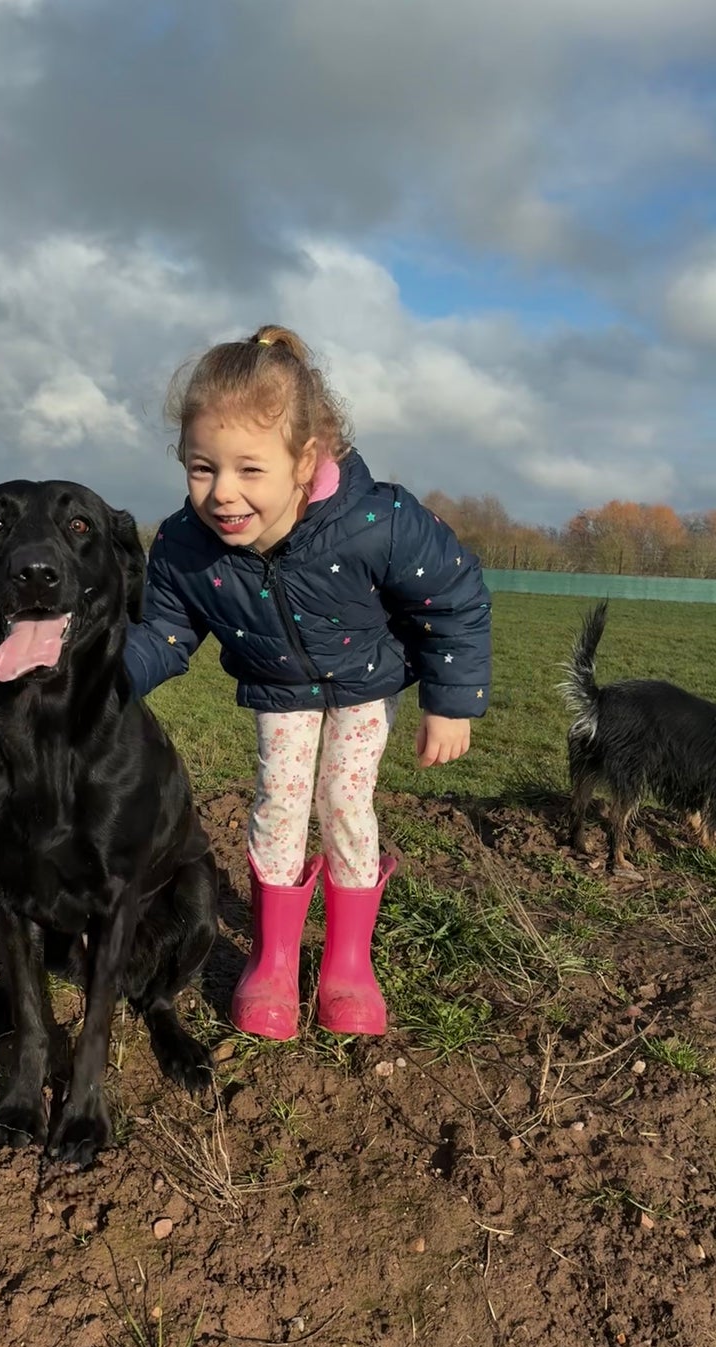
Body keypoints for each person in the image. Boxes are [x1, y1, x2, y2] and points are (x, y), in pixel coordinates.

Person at [124, 325, 491, 1041]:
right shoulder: (184, 545)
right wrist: (103, 681)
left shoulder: (376, 520)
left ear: (305, 460)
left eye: (249, 471)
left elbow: (453, 595)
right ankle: (273, 962)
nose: (222, 494)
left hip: (364, 685)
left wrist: (450, 703)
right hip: (280, 691)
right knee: (280, 806)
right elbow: (161, 635)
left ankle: (349, 965)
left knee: (346, 802)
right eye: (202, 469)